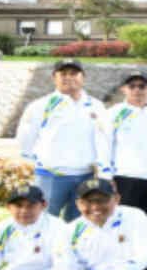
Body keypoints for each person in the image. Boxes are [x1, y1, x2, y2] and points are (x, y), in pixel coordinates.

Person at [15, 58, 108, 221]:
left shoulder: (96, 106)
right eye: (63, 74)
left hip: (85, 177)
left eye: (74, 73)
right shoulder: (41, 106)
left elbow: (104, 140)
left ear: (83, 77)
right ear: (54, 77)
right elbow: (25, 139)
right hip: (50, 176)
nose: (68, 77)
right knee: (43, 224)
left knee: (79, 227)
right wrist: (40, 161)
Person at [102, 72, 147, 226]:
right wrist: (106, 176)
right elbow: (104, 146)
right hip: (126, 178)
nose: (137, 90)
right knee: (124, 224)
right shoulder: (113, 114)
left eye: (141, 86)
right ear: (123, 89)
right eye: (132, 86)